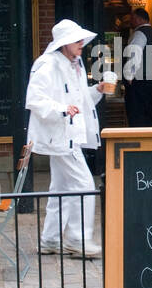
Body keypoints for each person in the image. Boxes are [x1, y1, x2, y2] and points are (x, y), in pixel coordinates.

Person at [26, 19, 114, 257]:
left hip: (65, 136)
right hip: (62, 137)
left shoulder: (70, 65)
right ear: (64, 43)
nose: (81, 44)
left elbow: (77, 99)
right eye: (77, 41)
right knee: (83, 184)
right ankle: (77, 239)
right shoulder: (48, 64)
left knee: (61, 188)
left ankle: (51, 240)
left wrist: (96, 90)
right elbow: (34, 98)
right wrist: (62, 109)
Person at [122, 7, 152, 127]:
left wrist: (129, 75)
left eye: (132, 19)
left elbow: (135, 53)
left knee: (137, 113)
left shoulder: (139, 33)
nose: (130, 22)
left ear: (138, 19)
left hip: (140, 80)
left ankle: (137, 140)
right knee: (149, 112)